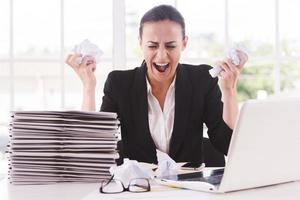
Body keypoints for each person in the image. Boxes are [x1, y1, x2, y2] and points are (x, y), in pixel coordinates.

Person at [65, 5, 248, 166]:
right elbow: (93, 149)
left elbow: (229, 146)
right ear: (140, 43)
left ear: (184, 43)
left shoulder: (202, 80)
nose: (161, 56)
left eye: (170, 46)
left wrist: (229, 91)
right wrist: (88, 87)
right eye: (152, 46)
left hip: (188, 191)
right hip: (139, 191)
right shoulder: (119, 84)